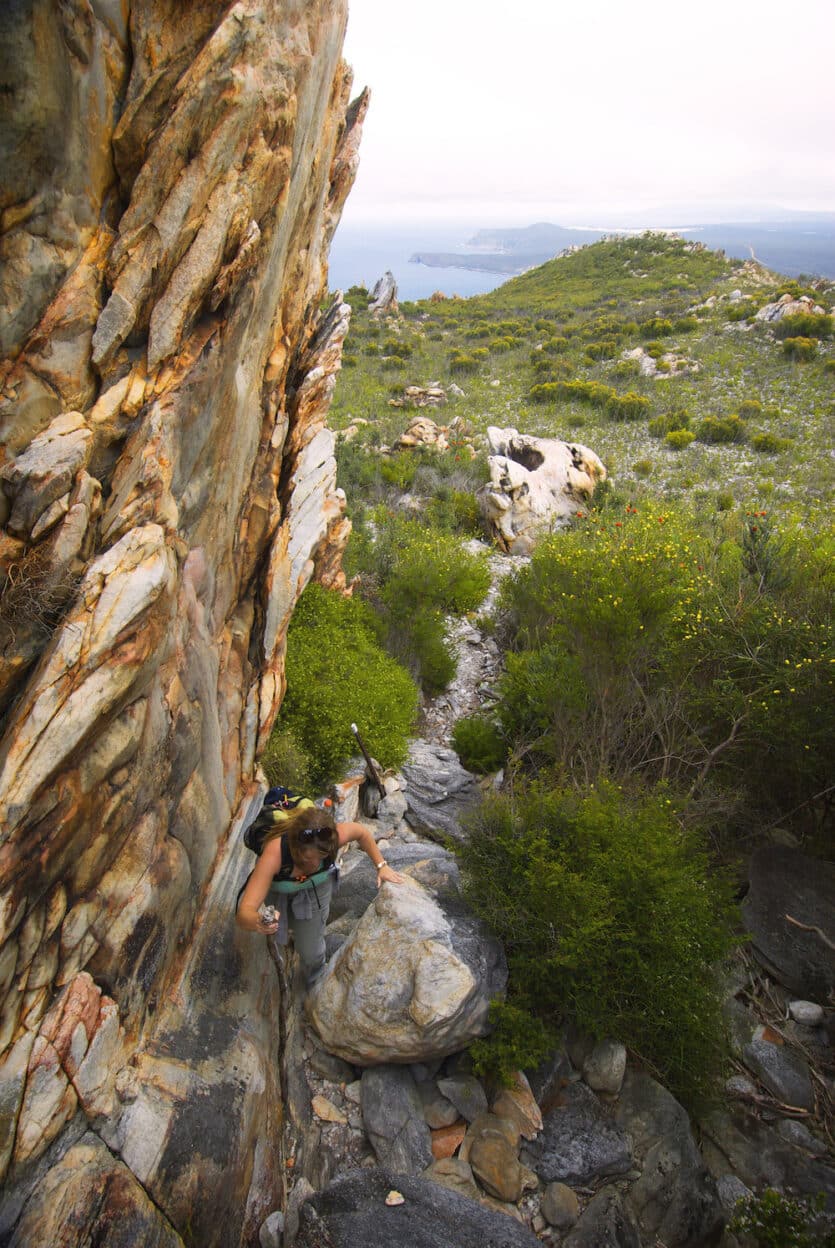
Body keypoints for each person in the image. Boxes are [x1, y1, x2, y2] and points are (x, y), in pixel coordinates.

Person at [236, 804, 405, 987]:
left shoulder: (332, 837)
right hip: (279, 892)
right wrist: (259, 921)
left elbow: (361, 832)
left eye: (322, 856)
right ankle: (292, 936)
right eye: (307, 858)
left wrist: (381, 866)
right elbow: (244, 912)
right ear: (294, 846)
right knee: (282, 925)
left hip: (317, 888)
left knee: (311, 950)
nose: (315, 863)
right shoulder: (274, 855)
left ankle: (314, 979)